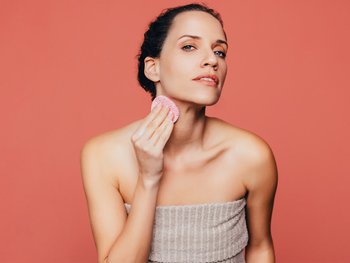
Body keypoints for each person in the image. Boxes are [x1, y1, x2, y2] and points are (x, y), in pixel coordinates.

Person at [80, 3, 278, 263]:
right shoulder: (103, 156)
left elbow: (260, 247)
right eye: (189, 47)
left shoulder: (251, 156)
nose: (211, 60)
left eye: (220, 51)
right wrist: (149, 179)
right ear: (153, 68)